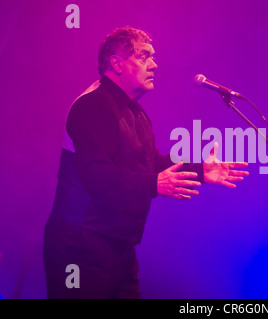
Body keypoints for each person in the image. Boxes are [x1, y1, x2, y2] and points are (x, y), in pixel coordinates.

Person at [43, 26, 249, 299]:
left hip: (117, 245)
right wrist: (154, 184)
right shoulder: (92, 106)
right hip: (81, 245)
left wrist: (201, 170)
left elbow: (150, 164)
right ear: (116, 63)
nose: (154, 64)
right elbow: (96, 175)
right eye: (144, 56)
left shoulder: (135, 112)